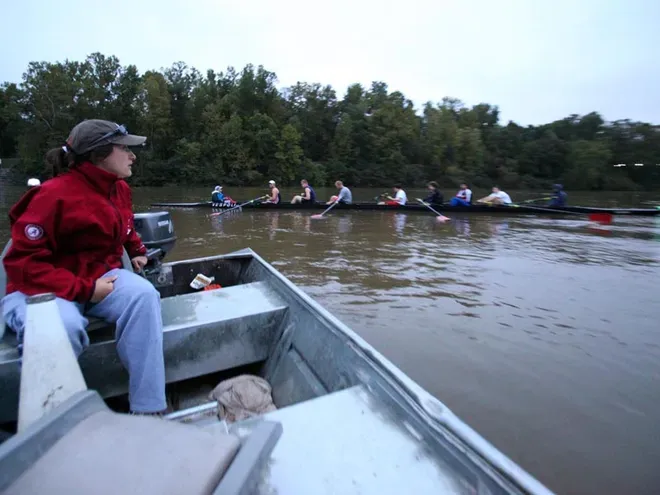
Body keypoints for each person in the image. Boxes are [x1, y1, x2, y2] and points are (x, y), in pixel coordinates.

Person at [1, 119, 166, 416]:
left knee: (144, 296)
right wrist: (86, 290)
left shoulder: (119, 189)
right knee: (63, 327)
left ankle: (148, 409)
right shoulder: (52, 195)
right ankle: (50, 424)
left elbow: (124, 226)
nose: (133, 155)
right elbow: (21, 264)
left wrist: (137, 250)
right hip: (39, 289)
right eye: (123, 148)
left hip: (95, 280)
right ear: (100, 153)